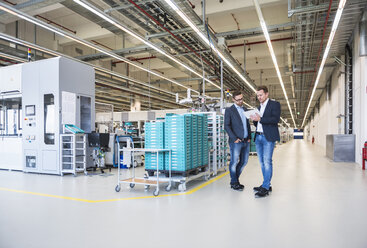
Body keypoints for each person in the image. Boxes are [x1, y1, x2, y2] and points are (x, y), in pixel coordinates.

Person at [250, 86, 281, 198]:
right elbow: (258, 123)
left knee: (267, 162)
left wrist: (260, 119)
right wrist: (254, 120)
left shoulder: (274, 105)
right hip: (258, 137)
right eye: (257, 95)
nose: (259, 97)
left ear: (267, 94)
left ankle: (265, 187)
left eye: (261, 95)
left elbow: (275, 119)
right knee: (262, 162)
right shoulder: (258, 107)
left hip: (268, 138)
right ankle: (266, 184)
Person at [224, 91, 251, 191]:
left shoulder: (245, 109)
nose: (241, 101)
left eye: (242, 99)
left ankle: (234, 180)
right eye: (238, 100)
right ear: (233, 100)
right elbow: (226, 125)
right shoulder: (229, 110)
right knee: (234, 162)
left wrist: (249, 137)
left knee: (244, 161)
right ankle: (235, 182)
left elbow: (247, 124)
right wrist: (234, 138)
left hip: (245, 140)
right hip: (236, 141)